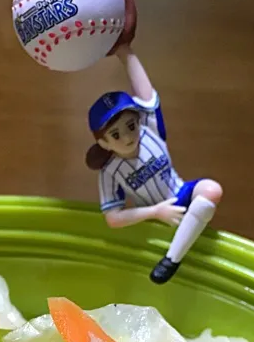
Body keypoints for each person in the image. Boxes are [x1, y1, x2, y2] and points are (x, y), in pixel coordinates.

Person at [87, 46, 223, 284]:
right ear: (104, 142)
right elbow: (113, 218)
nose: (128, 137)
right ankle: (174, 252)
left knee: (212, 191)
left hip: (180, 193)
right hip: (153, 216)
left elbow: (147, 95)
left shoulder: (149, 129)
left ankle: (171, 260)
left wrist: (125, 52)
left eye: (130, 126)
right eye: (116, 135)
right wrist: (155, 212)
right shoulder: (110, 171)